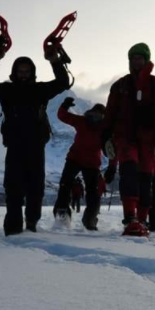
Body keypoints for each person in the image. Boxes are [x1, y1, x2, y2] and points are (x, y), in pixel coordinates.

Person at [0, 43, 70, 236]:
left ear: (32, 72)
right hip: (14, 145)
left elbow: (63, 82)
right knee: (12, 187)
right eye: (20, 71)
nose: (23, 74)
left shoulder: (41, 90)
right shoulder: (6, 90)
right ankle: (13, 227)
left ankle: (31, 223)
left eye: (27, 71)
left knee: (36, 187)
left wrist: (54, 59)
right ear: (14, 72)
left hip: (36, 145)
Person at [101, 43, 155, 236]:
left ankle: (142, 219)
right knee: (129, 172)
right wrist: (106, 135)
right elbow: (110, 112)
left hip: (149, 139)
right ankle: (130, 218)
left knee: (146, 179)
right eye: (134, 58)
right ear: (130, 61)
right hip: (125, 137)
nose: (137, 61)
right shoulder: (120, 85)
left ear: (146, 60)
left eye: (140, 58)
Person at [52, 98, 104, 229]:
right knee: (92, 191)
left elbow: (62, 116)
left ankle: (64, 213)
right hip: (87, 161)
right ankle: (89, 218)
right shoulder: (103, 126)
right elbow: (62, 116)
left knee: (66, 184)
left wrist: (64, 106)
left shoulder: (83, 121)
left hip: (77, 159)